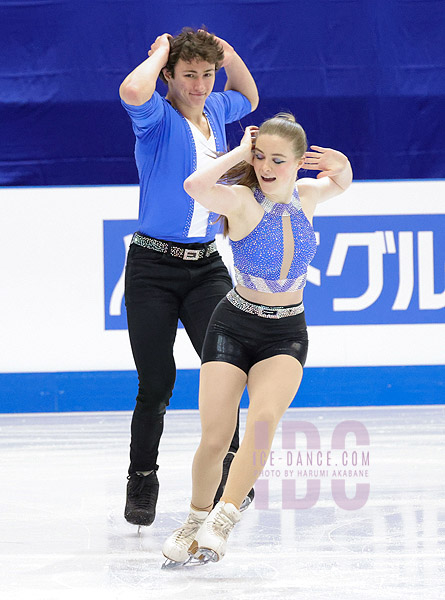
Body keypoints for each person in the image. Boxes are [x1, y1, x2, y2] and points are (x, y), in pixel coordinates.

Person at [162, 113, 353, 565]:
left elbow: (342, 180)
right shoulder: (242, 201)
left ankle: (224, 518)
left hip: (286, 331)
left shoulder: (308, 195)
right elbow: (194, 186)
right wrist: (238, 154)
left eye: (278, 160)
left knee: (264, 420)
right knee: (216, 436)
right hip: (232, 325)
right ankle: (195, 518)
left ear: (298, 163)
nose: (266, 167)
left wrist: (339, 161)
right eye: (260, 157)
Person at [119, 27, 259, 527]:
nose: (200, 85)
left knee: (226, 371)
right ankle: (142, 477)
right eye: (188, 75)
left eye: (206, 74)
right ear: (170, 78)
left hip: (205, 268)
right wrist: (158, 53)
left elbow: (249, 94)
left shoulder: (218, 111)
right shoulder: (156, 118)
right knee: (157, 382)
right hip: (152, 269)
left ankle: (229, 477)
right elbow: (133, 91)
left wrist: (228, 50)